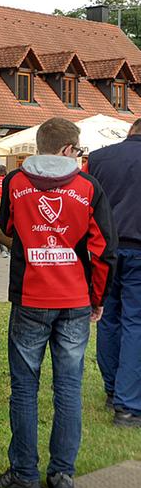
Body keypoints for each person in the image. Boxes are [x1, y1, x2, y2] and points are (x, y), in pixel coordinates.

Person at [0, 117, 116, 488]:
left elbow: (7, 226)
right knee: (69, 388)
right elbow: (103, 250)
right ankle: (62, 476)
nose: (78, 156)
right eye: (76, 150)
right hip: (75, 300)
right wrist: (97, 299)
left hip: (30, 298)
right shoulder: (88, 187)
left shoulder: (14, 182)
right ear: (66, 150)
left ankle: (25, 475)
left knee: (25, 389)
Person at [91, 117, 141, 429]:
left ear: (130, 132)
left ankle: (113, 389)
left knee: (107, 317)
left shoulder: (99, 158)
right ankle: (127, 404)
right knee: (135, 322)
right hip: (138, 246)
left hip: (104, 248)